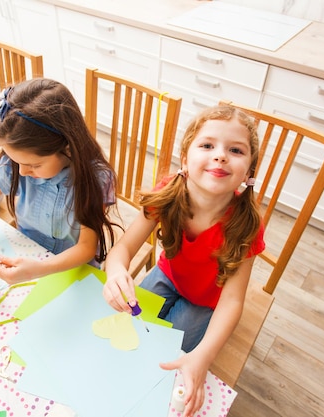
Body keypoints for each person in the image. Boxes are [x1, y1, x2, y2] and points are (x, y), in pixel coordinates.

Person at [102, 105, 265, 417]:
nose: (220, 156)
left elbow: (232, 302)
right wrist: (115, 272)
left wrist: (203, 358)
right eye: (207, 145)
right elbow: (122, 249)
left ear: (249, 172)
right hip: (168, 276)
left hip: (206, 300)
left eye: (235, 150)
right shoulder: (168, 193)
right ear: (185, 160)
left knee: (165, 358)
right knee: (128, 330)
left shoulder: (246, 224)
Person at [0, 78, 117, 292]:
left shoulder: (95, 178)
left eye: (34, 164)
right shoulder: (16, 165)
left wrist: (39, 269)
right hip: (27, 256)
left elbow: (86, 248)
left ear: (67, 146)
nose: (22, 172)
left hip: (73, 271)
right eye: (16, 162)